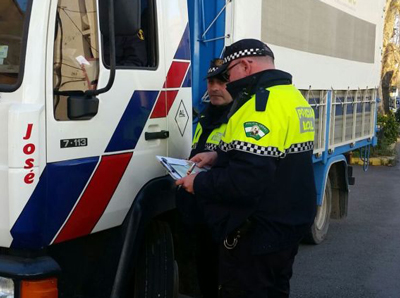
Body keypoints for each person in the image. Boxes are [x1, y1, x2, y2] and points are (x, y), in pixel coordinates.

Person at [176, 39, 317, 298]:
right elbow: (273, 154)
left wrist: (197, 183)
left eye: (229, 73)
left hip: (259, 232)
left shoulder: (259, 106)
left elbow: (244, 182)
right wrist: (217, 156)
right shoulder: (292, 96)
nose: (228, 81)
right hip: (287, 225)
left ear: (245, 65)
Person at [176, 59, 233, 298]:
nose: (215, 88)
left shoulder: (237, 120)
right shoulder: (205, 117)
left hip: (220, 215)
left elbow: (237, 171)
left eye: (222, 82)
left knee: (222, 277)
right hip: (199, 212)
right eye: (211, 82)